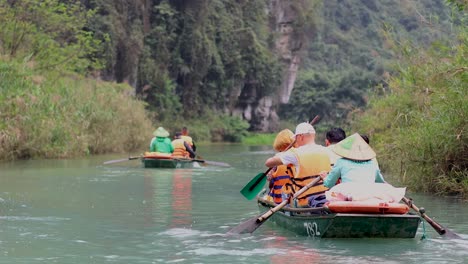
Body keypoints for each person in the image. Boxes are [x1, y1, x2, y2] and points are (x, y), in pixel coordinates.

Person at [265, 122, 331, 207]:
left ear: (301, 137)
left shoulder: (294, 153)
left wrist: (281, 154)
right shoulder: (326, 150)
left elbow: (268, 163)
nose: (295, 141)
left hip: (304, 201)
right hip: (326, 197)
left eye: (296, 138)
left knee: (284, 189)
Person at [320, 133, 385, 188]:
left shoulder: (341, 162)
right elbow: (380, 182)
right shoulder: (372, 163)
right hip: (368, 194)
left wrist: (325, 177)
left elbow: (329, 184)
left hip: (348, 193)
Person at [267, 129, 295, 204]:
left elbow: (270, 182)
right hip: (295, 197)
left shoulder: (276, 159)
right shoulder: (298, 155)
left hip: (279, 200)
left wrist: (269, 176)